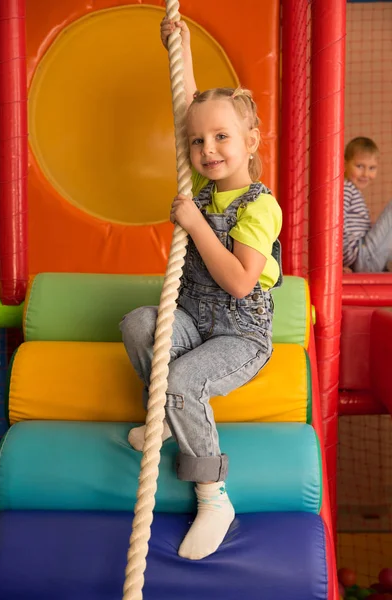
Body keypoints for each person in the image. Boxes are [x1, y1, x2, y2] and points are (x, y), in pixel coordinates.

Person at [119, 18, 282, 561]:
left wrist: (193, 224)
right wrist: (180, 44)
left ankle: (213, 496)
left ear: (251, 142)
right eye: (198, 141)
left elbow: (238, 282)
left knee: (184, 376)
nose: (208, 149)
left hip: (240, 335)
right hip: (193, 318)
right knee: (140, 324)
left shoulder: (259, 207)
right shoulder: (204, 190)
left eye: (222, 138)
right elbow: (187, 103)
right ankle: (166, 417)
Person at [343, 137, 392, 273]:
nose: (365, 174)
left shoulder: (352, 190)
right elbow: (337, 225)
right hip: (362, 257)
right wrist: (340, 263)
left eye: (372, 168)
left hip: (366, 258)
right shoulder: (345, 189)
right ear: (344, 164)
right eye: (359, 166)